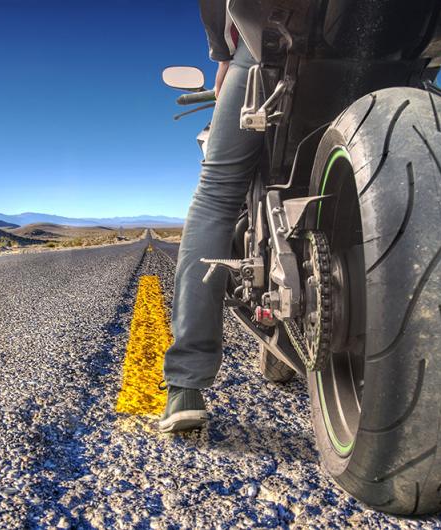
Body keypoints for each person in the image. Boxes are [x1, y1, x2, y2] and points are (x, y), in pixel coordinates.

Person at [158, 0, 264, 433]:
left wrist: (223, 56)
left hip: (275, 38)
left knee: (217, 195)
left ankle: (186, 384)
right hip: (410, 37)